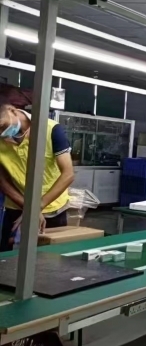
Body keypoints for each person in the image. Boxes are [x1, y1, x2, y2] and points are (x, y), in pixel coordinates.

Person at [0, 104, 75, 251]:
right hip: (16, 206)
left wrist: (36, 208)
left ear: (12, 111)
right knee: (7, 256)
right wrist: (28, 208)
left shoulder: (51, 130)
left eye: (2, 126)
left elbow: (68, 174)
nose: (1, 133)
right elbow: (2, 181)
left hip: (51, 208)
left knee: (49, 257)